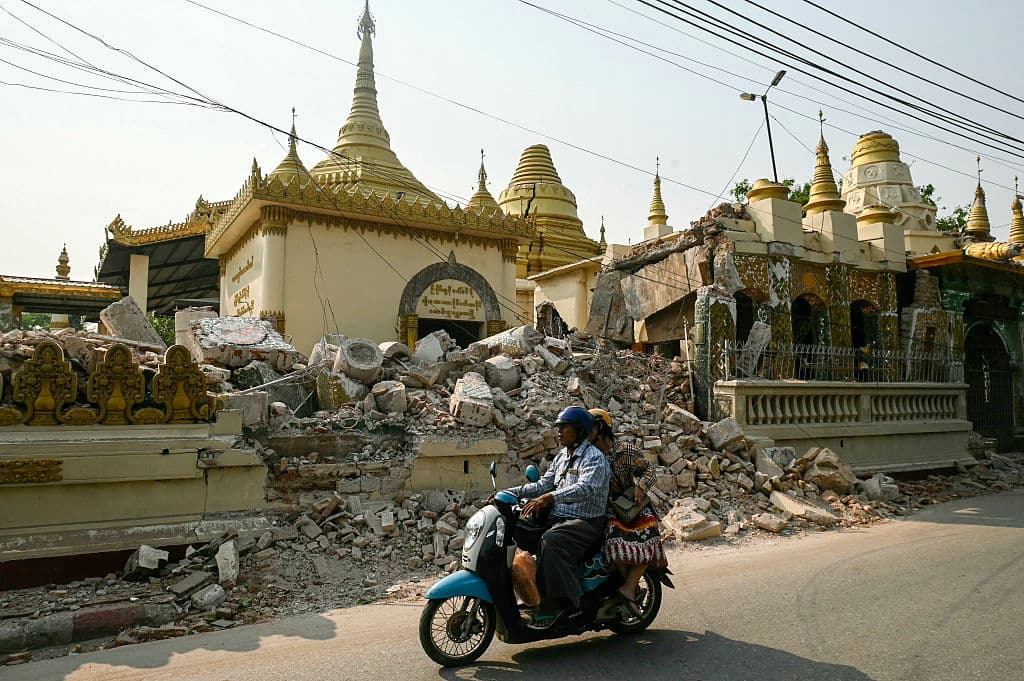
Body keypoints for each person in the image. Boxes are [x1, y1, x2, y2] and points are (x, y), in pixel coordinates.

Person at [503, 406, 610, 629]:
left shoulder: (594, 458)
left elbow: (585, 488)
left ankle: (559, 604)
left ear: (580, 430)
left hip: (586, 521)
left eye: (565, 427)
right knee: (514, 527)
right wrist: (509, 493)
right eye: (558, 427)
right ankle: (527, 587)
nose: (559, 432)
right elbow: (544, 484)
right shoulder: (562, 456)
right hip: (559, 516)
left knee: (552, 541)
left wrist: (550, 497)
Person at [589, 409, 667, 617]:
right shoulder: (591, 457)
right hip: (610, 511)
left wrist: (641, 487)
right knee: (614, 543)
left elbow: (649, 470)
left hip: (634, 508)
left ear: (601, 429)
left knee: (649, 539)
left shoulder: (625, 451)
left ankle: (628, 587)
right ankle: (629, 588)